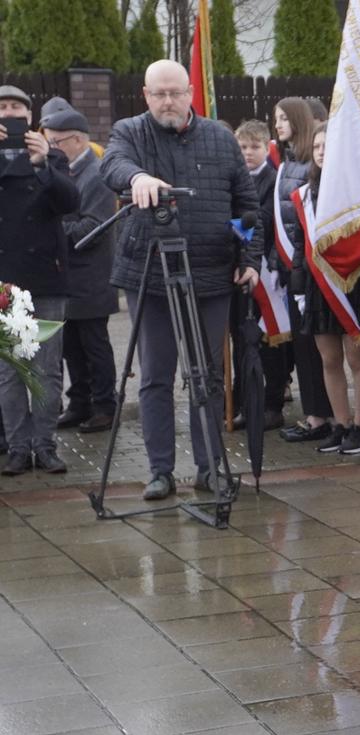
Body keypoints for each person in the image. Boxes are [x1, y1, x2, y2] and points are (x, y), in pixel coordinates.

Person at [102, 61, 264, 500]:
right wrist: (137, 177)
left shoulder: (220, 138)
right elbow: (112, 164)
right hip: (150, 274)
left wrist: (249, 257)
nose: (168, 102)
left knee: (207, 375)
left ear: (190, 92)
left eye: (175, 93)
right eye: (159, 94)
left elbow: (247, 207)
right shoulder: (130, 132)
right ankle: (160, 471)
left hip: (210, 273)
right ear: (146, 95)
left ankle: (210, 468)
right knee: (155, 374)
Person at [0, 85, 79, 475]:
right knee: (10, 370)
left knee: (46, 368)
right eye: (2, 107)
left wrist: (42, 163)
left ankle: (45, 445)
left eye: (16, 107)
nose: (9, 113)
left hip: (46, 275)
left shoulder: (53, 155)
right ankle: (17, 447)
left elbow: (70, 202)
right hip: (4, 281)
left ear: (30, 117)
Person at [294, 123, 360, 457]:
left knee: (357, 359)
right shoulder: (305, 193)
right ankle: (341, 425)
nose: (321, 152)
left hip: (352, 285)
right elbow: (300, 244)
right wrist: (299, 290)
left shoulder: (358, 191)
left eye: (328, 146)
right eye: (317, 146)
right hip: (318, 285)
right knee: (329, 360)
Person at [43, 100, 118, 436]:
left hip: (91, 276)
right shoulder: (63, 170)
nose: (51, 148)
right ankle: (79, 403)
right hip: (67, 276)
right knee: (71, 345)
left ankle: (105, 406)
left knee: (94, 345)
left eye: (55, 142)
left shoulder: (97, 174)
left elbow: (94, 226)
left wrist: (50, 230)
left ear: (77, 139)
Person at [269, 98, 331, 446]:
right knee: (302, 345)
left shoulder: (309, 163)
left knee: (313, 346)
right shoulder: (287, 161)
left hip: (307, 266)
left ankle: (321, 416)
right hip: (289, 264)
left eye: (283, 118)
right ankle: (314, 414)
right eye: (275, 119)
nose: (277, 125)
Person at [229, 120, 291, 433]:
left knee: (269, 343)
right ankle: (240, 401)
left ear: (267, 148)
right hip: (237, 272)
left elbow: (264, 219)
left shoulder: (274, 180)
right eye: (243, 147)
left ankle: (271, 403)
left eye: (255, 147)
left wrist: (232, 223)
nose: (248, 153)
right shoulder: (232, 178)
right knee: (241, 340)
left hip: (266, 270)